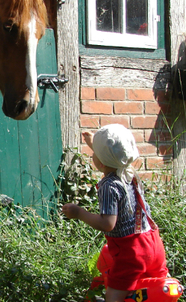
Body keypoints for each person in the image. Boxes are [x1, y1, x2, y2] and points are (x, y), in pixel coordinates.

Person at [62, 124, 168, 302]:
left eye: (95, 153)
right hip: (153, 244)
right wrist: (94, 144)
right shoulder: (129, 172)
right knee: (155, 293)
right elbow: (115, 156)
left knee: (114, 297)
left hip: (132, 252)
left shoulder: (109, 185)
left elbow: (107, 224)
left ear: (101, 161)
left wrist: (78, 212)